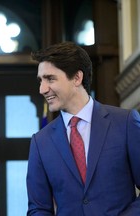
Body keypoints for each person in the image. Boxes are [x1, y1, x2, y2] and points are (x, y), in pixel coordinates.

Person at [26, 41, 140, 215]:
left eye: (50, 79)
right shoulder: (40, 142)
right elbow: (38, 209)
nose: (42, 89)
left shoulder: (125, 123)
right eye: (40, 81)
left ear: (77, 78)